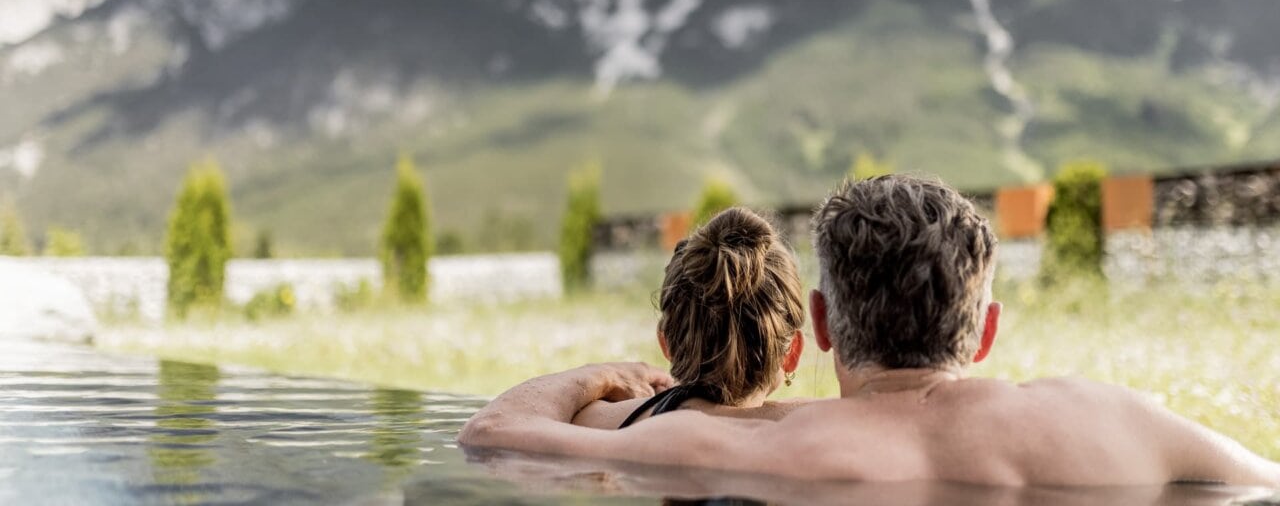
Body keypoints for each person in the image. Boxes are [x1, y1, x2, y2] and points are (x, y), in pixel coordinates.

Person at [460, 175, 1280, 488]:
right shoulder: (1118, 421)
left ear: (819, 325)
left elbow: (496, 434)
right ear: (985, 330)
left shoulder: (748, 448)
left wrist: (597, 376)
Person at [573, 206, 807, 429]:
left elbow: (535, 409)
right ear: (792, 352)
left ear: (666, 343)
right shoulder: (814, 434)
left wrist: (605, 375)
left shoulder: (602, 423)